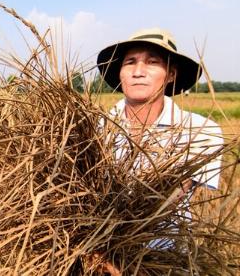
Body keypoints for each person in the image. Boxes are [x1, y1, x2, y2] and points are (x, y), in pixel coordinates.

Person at [93, 28, 224, 275]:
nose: (138, 71)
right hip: (94, 259)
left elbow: (168, 197)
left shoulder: (200, 131)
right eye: (130, 62)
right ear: (120, 73)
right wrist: (95, 254)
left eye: (152, 62)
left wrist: (118, 256)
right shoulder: (93, 128)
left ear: (171, 74)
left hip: (166, 261)